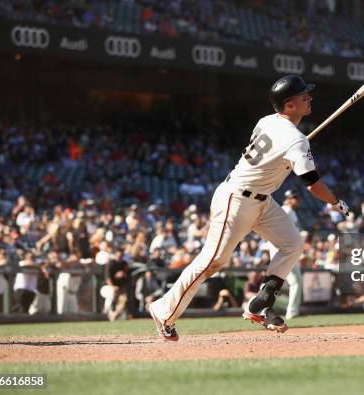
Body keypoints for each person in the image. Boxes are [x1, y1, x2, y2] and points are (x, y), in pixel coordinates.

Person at [149, 75, 350, 341]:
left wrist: (294, 148)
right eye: (304, 97)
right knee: (213, 261)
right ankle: (164, 310)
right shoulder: (296, 140)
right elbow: (312, 184)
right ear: (289, 105)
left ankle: (261, 305)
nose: (309, 98)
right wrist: (336, 202)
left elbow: (279, 156)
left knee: (292, 244)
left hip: (262, 200)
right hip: (236, 199)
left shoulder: (268, 121)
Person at [271, 189, 303, 320]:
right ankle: (292, 312)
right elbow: (276, 230)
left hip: (286, 250)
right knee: (295, 281)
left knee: (273, 281)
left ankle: (256, 306)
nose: (297, 200)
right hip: (284, 251)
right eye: (294, 198)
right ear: (288, 199)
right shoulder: (286, 210)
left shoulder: (290, 211)